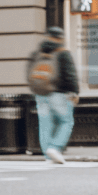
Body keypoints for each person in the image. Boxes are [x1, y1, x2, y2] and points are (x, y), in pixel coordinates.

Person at [25, 25, 77, 164]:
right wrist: (74, 91)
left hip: (41, 93)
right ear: (60, 38)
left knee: (45, 124)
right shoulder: (63, 52)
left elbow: (29, 72)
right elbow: (70, 74)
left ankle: (48, 155)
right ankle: (55, 148)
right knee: (66, 121)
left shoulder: (37, 53)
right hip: (59, 93)